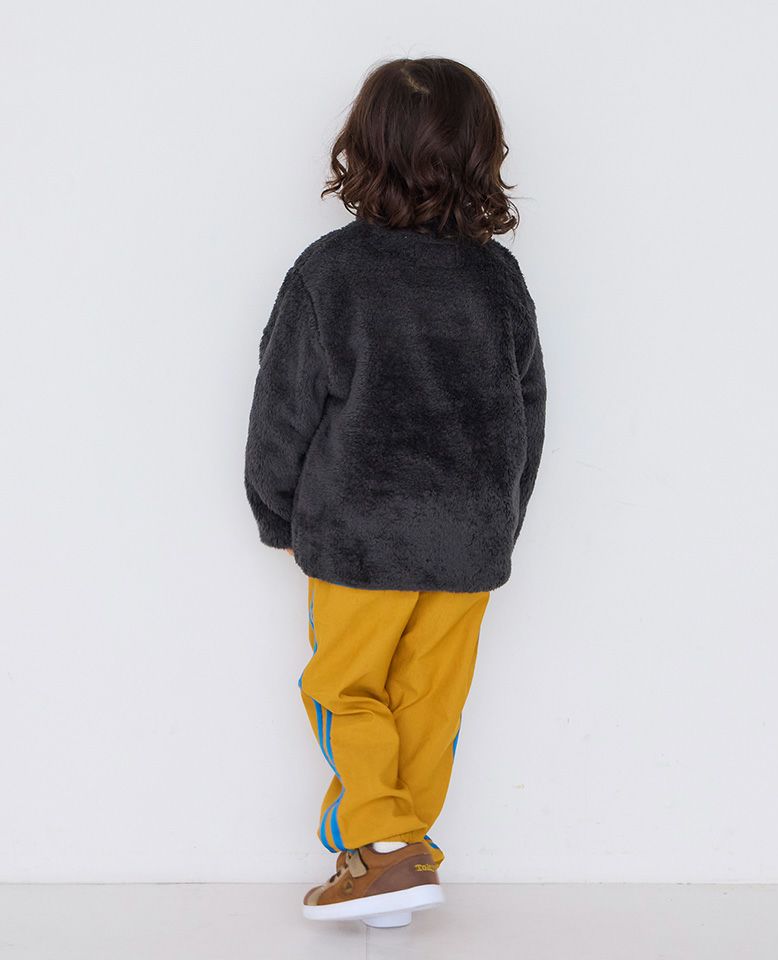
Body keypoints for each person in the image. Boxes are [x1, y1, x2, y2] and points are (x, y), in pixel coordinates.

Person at [244, 56, 546, 928]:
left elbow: (284, 403)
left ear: (364, 147)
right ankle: (399, 859)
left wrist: (276, 511)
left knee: (344, 689)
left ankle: (380, 845)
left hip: (358, 534)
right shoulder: (497, 278)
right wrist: (503, 517)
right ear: (482, 153)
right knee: (430, 701)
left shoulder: (329, 272)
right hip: (468, 537)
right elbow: (528, 406)